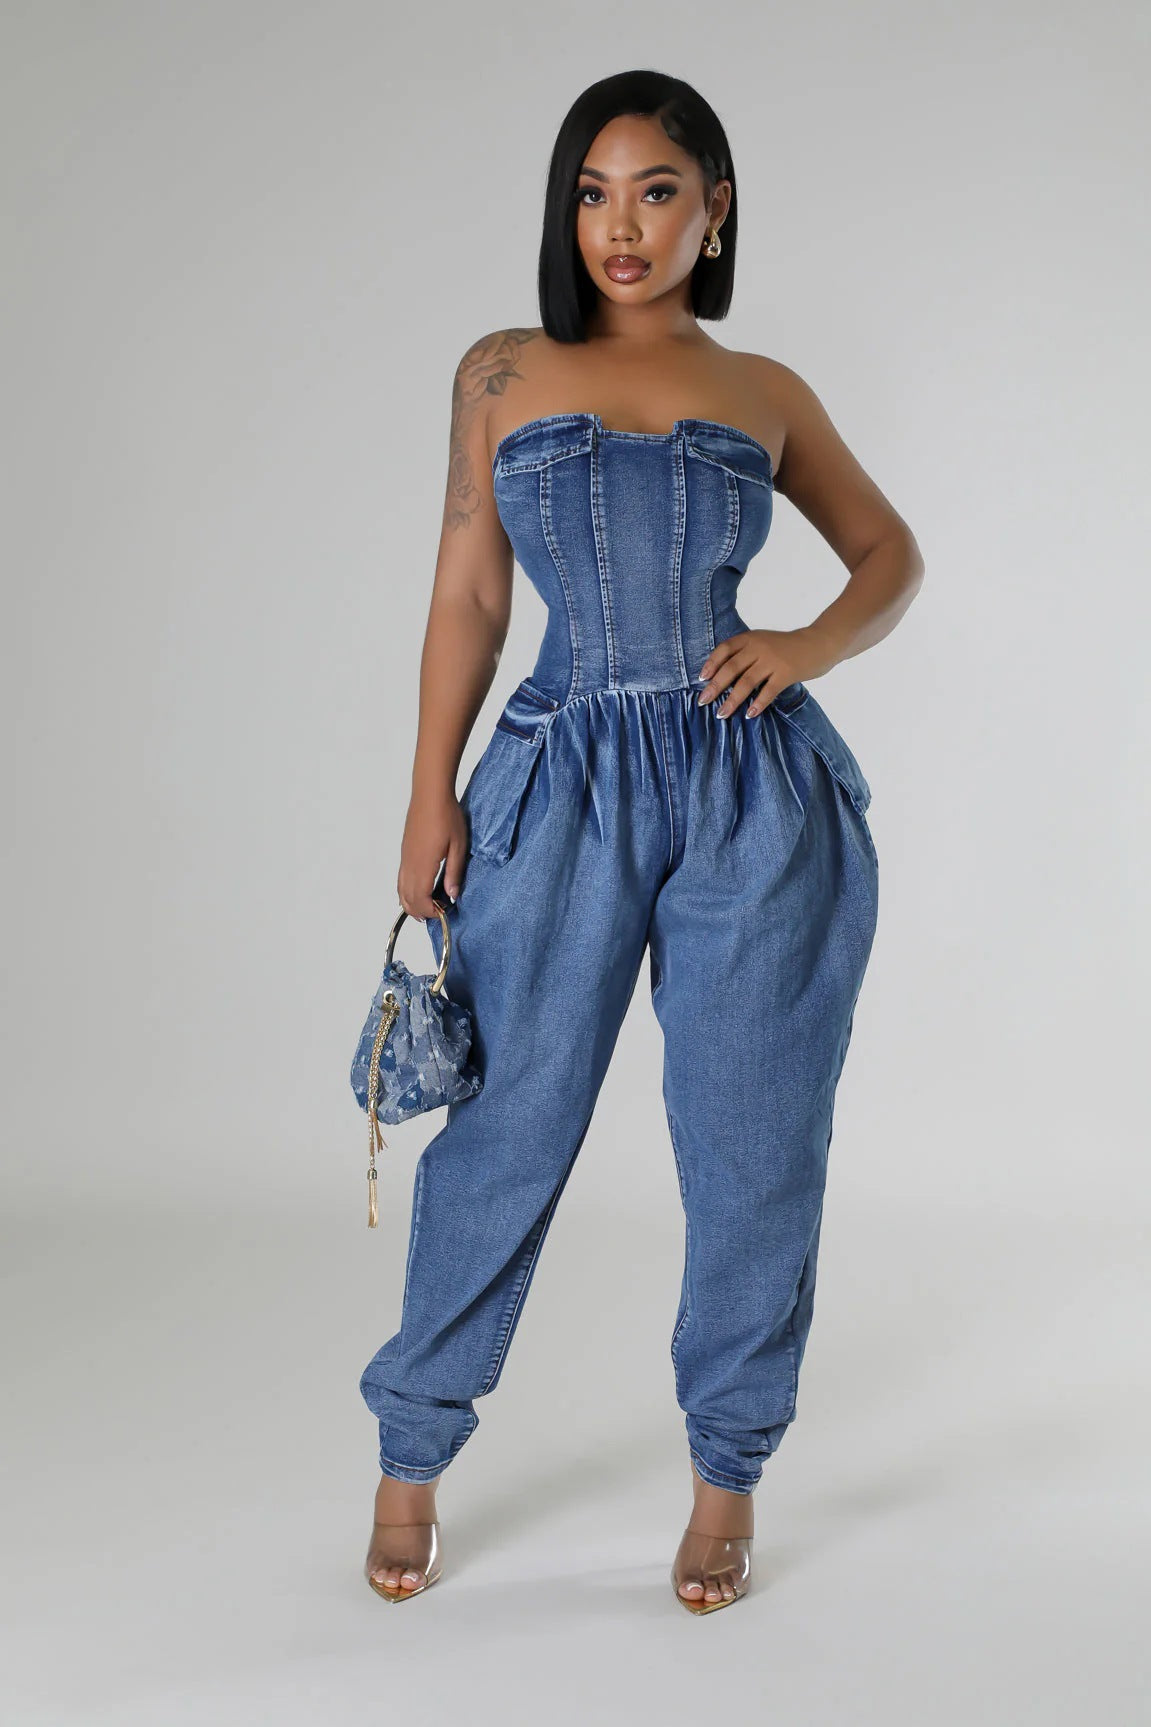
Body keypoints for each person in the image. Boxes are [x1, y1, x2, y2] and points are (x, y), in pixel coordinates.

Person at [359, 68, 924, 1613]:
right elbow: (470, 591)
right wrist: (429, 789)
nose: (621, 225)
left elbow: (889, 553)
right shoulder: (499, 370)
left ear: (713, 210)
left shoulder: (766, 390)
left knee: (755, 1139)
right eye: (594, 194)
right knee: (508, 1127)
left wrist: (804, 646)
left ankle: (728, 1475)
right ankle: (411, 1454)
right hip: (560, 781)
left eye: (657, 191)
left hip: (753, 794)